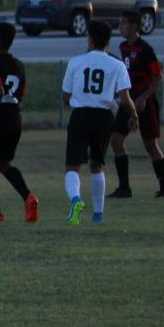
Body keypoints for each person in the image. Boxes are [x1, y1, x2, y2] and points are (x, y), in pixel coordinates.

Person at [61, 20, 137, 226]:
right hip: (104, 118)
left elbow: (66, 96)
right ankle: (98, 214)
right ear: (108, 42)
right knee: (97, 165)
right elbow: (125, 97)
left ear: (90, 40)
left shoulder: (75, 62)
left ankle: (76, 200)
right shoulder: (117, 65)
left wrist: (80, 101)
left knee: (72, 166)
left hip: (80, 115)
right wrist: (135, 116)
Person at [0, 22, 39, 223]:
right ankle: (28, 197)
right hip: (14, 117)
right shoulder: (19, 65)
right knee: (3, 163)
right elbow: (20, 94)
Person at [109, 10, 164, 199]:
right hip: (128, 100)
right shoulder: (123, 47)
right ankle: (124, 188)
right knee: (116, 141)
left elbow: (157, 78)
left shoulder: (145, 49)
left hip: (145, 103)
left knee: (151, 145)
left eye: (124, 23)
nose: (121, 27)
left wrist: (143, 98)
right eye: (120, 23)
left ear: (134, 26)